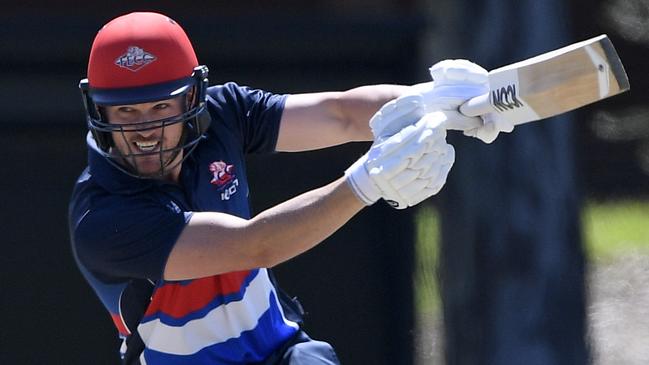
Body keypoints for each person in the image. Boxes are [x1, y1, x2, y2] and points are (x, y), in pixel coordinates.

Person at [68, 11, 513, 365]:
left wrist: (433, 101)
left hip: (279, 352)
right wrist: (366, 183)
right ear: (99, 112)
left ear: (192, 98)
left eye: (161, 105)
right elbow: (254, 245)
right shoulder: (101, 219)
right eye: (126, 112)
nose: (146, 130)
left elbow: (339, 114)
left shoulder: (223, 113)